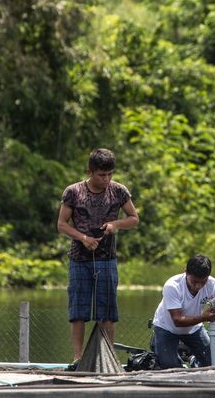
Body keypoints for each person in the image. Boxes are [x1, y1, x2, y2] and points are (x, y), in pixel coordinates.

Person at [57, 148, 139, 363]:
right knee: (78, 311)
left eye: (110, 174)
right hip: (79, 259)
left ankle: (107, 358)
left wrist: (115, 224)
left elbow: (134, 218)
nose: (107, 179)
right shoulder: (73, 192)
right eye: (102, 175)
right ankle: (78, 357)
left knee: (108, 311)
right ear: (90, 172)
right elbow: (62, 224)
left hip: (107, 257)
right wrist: (83, 238)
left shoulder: (119, 191)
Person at [151, 254, 215, 368]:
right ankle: (174, 358)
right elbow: (177, 320)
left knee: (213, 361)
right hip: (167, 328)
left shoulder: (212, 284)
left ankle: (193, 360)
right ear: (186, 272)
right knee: (170, 367)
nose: (198, 286)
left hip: (194, 329)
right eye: (194, 281)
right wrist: (204, 318)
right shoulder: (172, 285)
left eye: (203, 282)